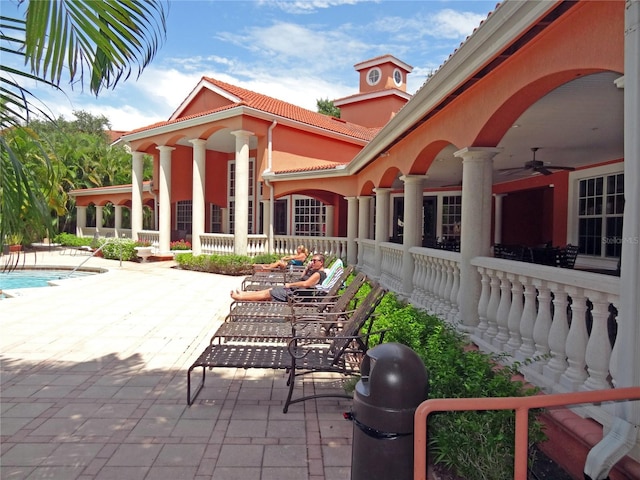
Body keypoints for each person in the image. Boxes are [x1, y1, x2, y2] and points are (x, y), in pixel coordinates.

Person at [232, 254, 326, 302]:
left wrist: (290, 284)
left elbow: (306, 284)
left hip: (297, 296)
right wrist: (307, 269)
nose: (312, 262)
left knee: (269, 293)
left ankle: (241, 298)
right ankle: (243, 294)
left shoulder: (319, 274)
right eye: (312, 260)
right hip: (295, 291)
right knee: (270, 289)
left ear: (321, 262)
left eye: (314, 261)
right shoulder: (313, 271)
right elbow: (302, 278)